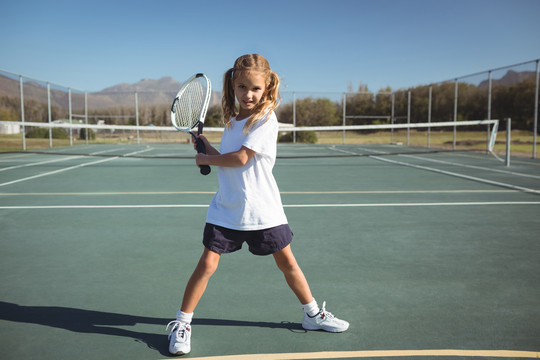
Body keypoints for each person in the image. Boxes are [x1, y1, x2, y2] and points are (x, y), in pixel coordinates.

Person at [166, 54, 349, 356]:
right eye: (241, 87)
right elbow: (227, 159)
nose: (248, 95)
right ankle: (182, 324)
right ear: (232, 87)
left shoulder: (265, 119)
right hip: (227, 208)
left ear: (266, 89)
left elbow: (240, 159)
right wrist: (206, 147)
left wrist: (206, 159)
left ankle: (313, 315)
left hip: (263, 210)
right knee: (206, 265)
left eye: (255, 89)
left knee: (287, 263)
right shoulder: (232, 121)